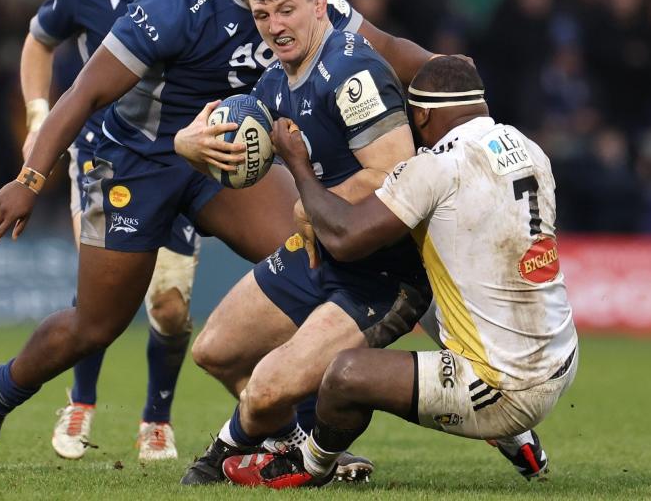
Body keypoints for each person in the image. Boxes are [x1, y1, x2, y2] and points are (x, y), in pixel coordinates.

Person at [0, 0, 437, 473]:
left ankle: (305, 440)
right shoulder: (174, 5)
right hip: (134, 162)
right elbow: (83, 93)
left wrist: (456, 81)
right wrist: (29, 180)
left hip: (224, 162)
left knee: (318, 253)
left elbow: (387, 47)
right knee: (96, 324)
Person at [222, 55, 579, 488]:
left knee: (344, 375)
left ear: (423, 113)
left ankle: (310, 465)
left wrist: (298, 165)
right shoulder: (528, 147)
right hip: (562, 357)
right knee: (436, 279)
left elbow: (345, 238)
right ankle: (515, 437)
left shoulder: (435, 167)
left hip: (502, 384)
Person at [177, 0, 431, 486]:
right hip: (321, 254)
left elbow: (397, 172)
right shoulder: (276, 83)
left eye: (286, 10)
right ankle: (306, 449)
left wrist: (309, 202)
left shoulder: (351, 70)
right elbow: (237, 130)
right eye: (262, 16)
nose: (275, 27)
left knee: (267, 388)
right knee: (214, 351)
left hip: (383, 273)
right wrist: (189, 143)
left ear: (320, 6)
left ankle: (221, 455)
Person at [20, 0, 205, 462]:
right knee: (99, 287)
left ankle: (157, 418)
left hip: (182, 164)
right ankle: (81, 401)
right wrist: (36, 116)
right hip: (102, 159)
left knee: (170, 307)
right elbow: (38, 43)